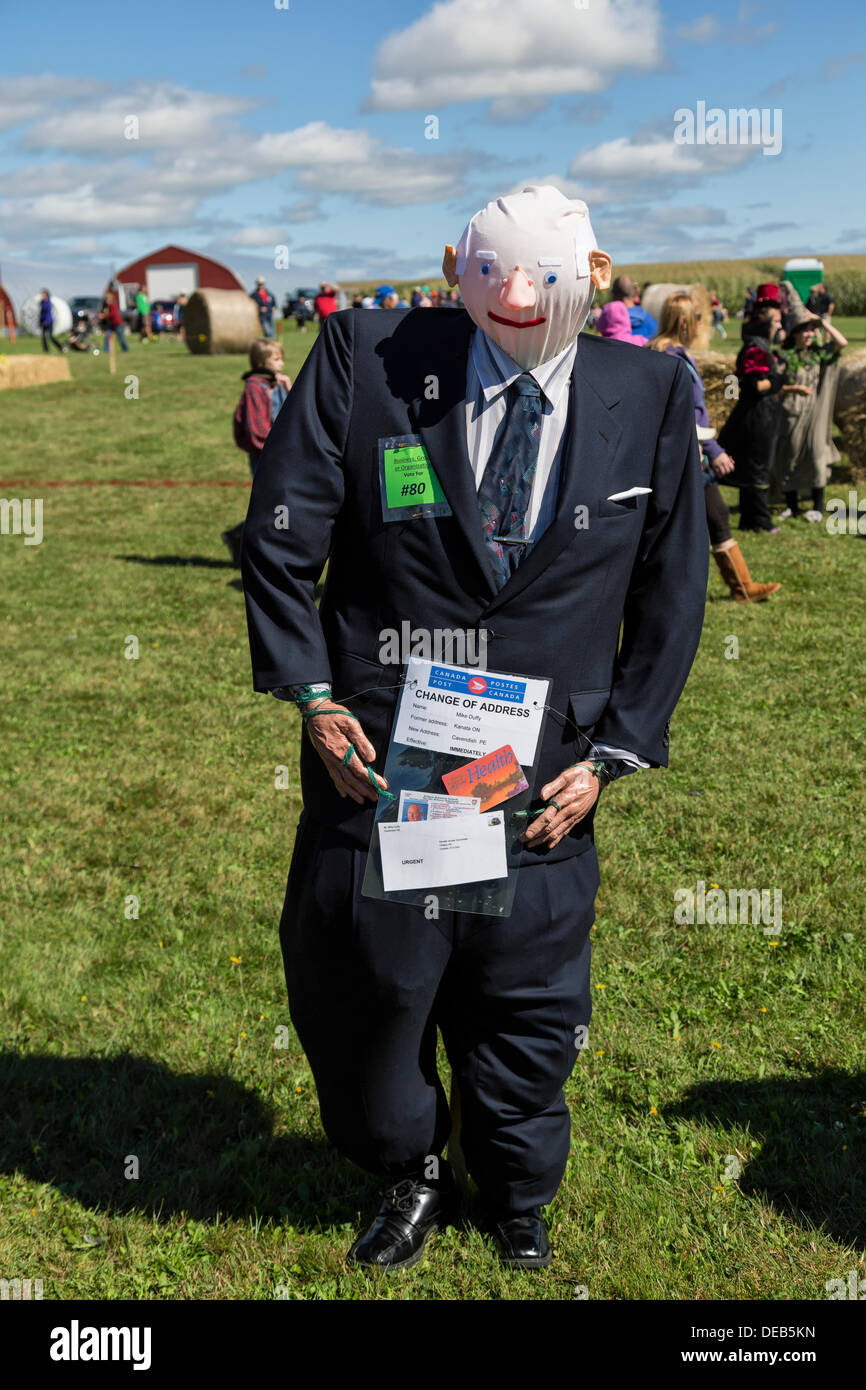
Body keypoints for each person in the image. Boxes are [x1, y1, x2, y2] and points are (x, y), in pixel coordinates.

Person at [241, 184, 707, 1273]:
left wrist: (615, 751)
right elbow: (279, 538)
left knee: (528, 1002)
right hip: (381, 767)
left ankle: (514, 1188)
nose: (519, 298)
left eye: (546, 278)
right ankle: (407, 1165)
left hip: (542, 779)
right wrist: (313, 697)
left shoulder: (648, 389)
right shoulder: (366, 357)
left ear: (595, 277)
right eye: (493, 273)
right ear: (456, 266)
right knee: (370, 989)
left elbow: (673, 585)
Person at [650, 293, 780, 602]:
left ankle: (740, 587)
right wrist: (714, 450)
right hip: (684, 455)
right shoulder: (673, 360)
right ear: (684, 322)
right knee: (689, 522)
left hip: (679, 453)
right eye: (698, 319)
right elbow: (685, 416)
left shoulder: (661, 353)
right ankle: (730, 588)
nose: (701, 325)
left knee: (713, 515)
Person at [718, 286, 798, 533]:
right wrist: (779, 380)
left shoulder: (760, 346)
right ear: (764, 322)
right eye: (776, 321)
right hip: (758, 416)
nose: (779, 326)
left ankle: (749, 519)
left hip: (760, 413)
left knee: (754, 466)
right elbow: (754, 385)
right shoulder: (755, 349)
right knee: (758, 467)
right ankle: (760, 521)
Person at [773, 289, 848, 523]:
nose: (808, 334)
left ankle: (817, 507)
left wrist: (822, 323)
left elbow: (842, 342)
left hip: (814, 413)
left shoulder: (820, 353)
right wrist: (792, 389)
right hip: (791, 413)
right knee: (790, 457)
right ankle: (792, 506)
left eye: (811, 330)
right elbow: (774, 386)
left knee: (817, 456)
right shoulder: (784, 357)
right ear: (795, 333)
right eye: (804, 330)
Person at [222, 338, 292, 567]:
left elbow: (293, 415)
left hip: (280, 454)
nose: (281, 363)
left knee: (277, 506)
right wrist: (279, 454)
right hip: (267, 458)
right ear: (262, 362)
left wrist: (288, 389)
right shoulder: (255, 388)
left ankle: (243, 540)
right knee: (276, 506)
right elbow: (258, 433)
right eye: (277, 359)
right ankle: (256, 548)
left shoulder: (274, 384)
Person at [101, 288, 129, 354]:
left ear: (109, 299)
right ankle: (106, 350)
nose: (105, 301)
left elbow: (112, 314)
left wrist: (104, 316)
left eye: (106, 300)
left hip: (118, 324)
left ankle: (126, 349)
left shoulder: (113, 305)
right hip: (112, 324)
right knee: (107, 335)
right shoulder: (108, 306)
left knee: (121, 338)